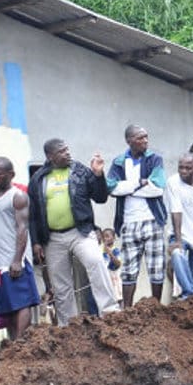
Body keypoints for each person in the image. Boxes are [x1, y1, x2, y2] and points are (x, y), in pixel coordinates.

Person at [27, 137, 118, 322]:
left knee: (96, 262)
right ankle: (69, 325)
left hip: (81, 232)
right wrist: (36, 241)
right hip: (52, 238)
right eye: (62, 151)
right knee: (60, 283)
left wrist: (98, 175)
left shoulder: (79, 170)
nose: (67, 153)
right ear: (50, 156)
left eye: (67, 149)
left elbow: (100, 198)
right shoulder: (38, 179)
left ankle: (110, 312)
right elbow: (33, 214)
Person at [105, 123, 169, 308]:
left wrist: (126, 188)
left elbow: (157, 188)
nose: (145, 141)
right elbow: (110, 187)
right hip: (128, 222)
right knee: (129, 270)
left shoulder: (154, 159)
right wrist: (139, 184)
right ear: (129, 140)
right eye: (140, 138)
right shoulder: (118, 162)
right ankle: (127, 310)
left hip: (152, 220)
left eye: (146, 136)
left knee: (156, 268)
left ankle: (156, 307)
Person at [0, 157, 38, 341]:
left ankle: (21, 343)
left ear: (11, 175)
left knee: (22, 303)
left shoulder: (18, 197)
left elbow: (22, 228)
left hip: (14, 261)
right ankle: (14, 343)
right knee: (8, 306)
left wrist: (17, 259)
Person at [165, 153, 193, 299]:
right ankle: (187, 294)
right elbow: (176, 211)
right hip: (179, 233)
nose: (183, 171)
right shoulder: (173, 182)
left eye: (188, 168)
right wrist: (178, 241)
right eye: (181, 168)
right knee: (177, 254)